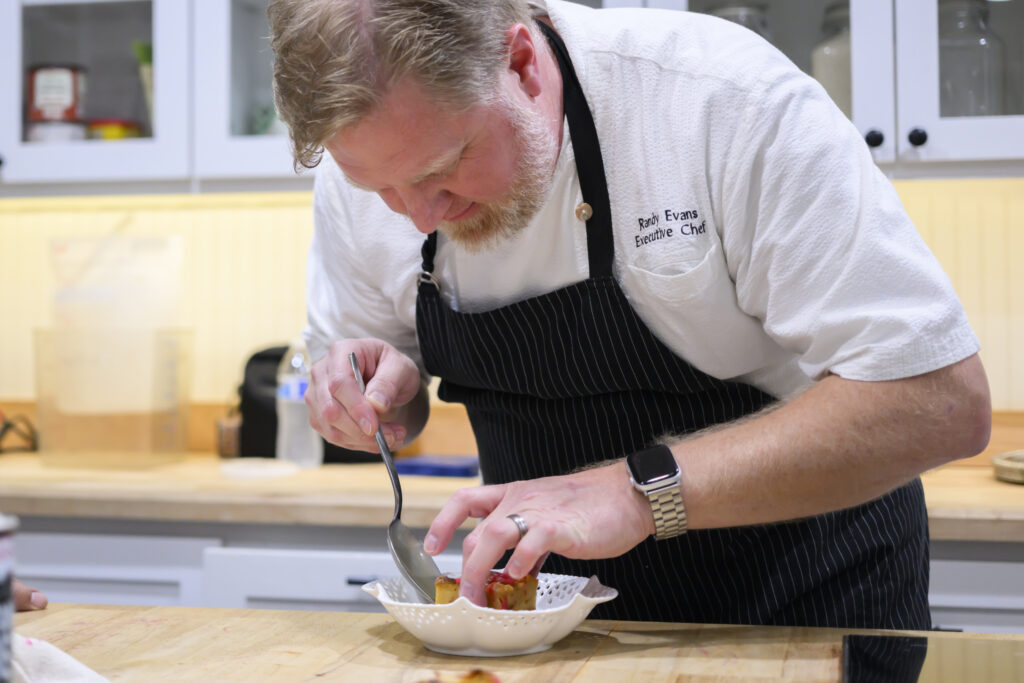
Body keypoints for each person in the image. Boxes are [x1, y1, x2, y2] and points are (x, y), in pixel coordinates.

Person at [268, 0, 991, 628]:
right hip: (554, 640)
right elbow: (382, 371)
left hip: (806, 610)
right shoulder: (370, 166)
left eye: (442, 167)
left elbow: (939, 400)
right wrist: (383, 400)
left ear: (519, 63)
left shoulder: (717, 101)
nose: (419, 211)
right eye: (381, 188)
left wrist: (642, 491)